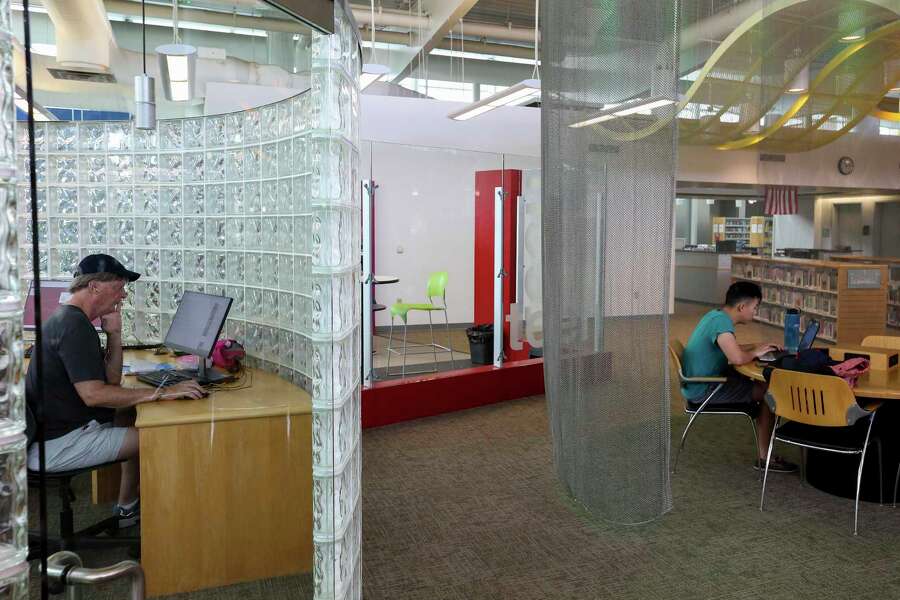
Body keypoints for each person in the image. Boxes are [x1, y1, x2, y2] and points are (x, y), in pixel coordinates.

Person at [25, 254, 206, 528]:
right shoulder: (73, 326)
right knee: (165, 435)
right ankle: (173, 527)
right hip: (57, 445)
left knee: (126, 414)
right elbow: (94, 394)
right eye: (119, 286)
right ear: (95, 286)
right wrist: (161, 392)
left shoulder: (73, 319)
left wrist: (115, 334)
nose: (123, 295)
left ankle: (126, 507)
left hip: (55, 433)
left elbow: (110, 383)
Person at [682, 280, 797, 473]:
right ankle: (765, 457)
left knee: (762, 386)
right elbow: (736, 358)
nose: (755, 312)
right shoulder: (722, 323)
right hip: (705, 388)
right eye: (755, 307)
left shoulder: (715, 316)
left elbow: (730, 349)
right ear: (742, 306)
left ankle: (765, 452)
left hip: (701, 381)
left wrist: (756, 348)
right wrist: (754, 353)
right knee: (770, 394)